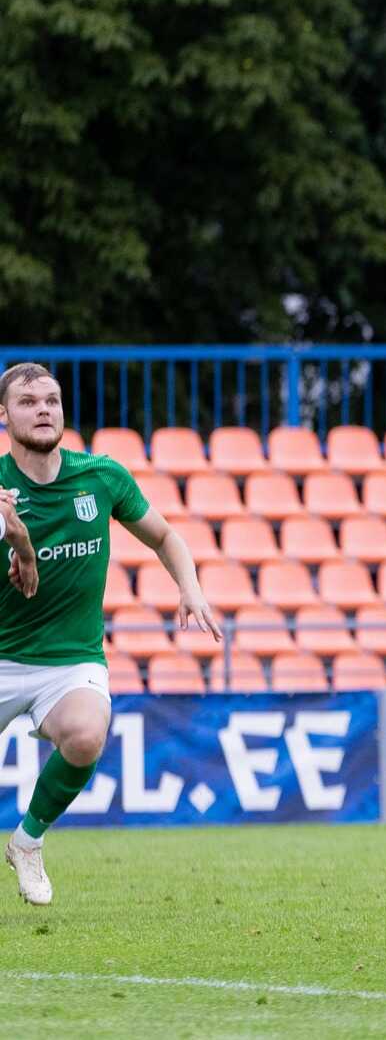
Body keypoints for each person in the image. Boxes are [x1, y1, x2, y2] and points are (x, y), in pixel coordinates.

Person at [2, 362, 221, 906]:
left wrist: (190, 587)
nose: (43, 410)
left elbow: (165, 537)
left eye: (51, 400)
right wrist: (19, 546)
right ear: (4, 415)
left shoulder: (101, 477)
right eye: (27, 402)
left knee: (86, 735)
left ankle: (27, 842)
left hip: (69, 658)